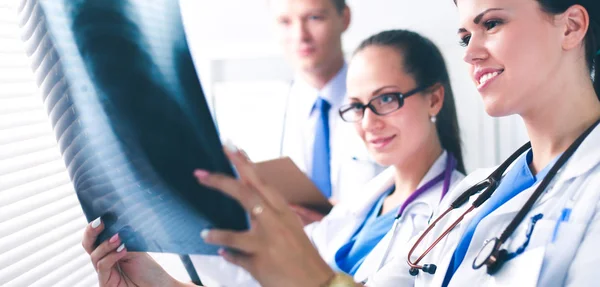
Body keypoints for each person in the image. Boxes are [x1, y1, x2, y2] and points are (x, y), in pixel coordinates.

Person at [191, 0, 600, 286]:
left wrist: (317, 281)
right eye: (464, 36)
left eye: (491, 23)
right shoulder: (476, 192)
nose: (470, 53)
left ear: (571, 26)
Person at [82, 28, 466, 286]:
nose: (368, 122)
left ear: (434, 97)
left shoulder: (460, 216)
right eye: (356, 106)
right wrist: (157, 280)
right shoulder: (364, 204)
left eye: (386, 99)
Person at [266, 0, 384, 208]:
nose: (300, 36)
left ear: (344, 18)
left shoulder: (386, 105)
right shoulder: (263, 113)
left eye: (314, 18)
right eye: (285, 22)